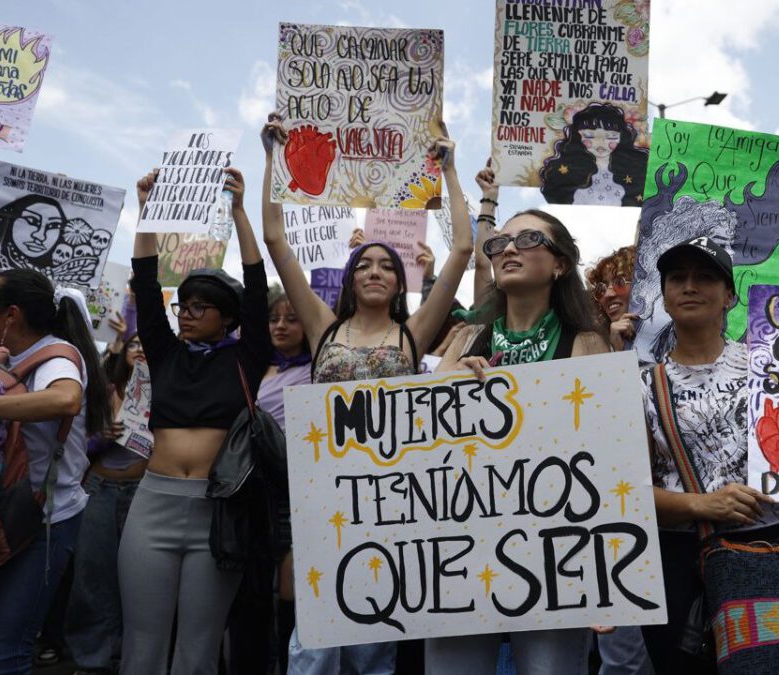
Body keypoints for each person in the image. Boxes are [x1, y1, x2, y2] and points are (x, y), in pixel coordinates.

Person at [260, 112, 473, 673]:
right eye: (365, 265)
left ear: (399, 282)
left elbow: (462, 252)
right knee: (314, 643)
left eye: (386, 266)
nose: (375, 271)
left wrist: (450, 172)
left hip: (391, 496)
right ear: (352, 278)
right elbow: (278, 240)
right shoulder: (322, 327)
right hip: (322, 493)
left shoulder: (414, 333)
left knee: (372, 643)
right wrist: (272, 160)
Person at [639, 236, 779, 674]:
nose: (690, 286)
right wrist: (700, 504)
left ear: (730, 296)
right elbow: (625, 493)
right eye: (677, 278)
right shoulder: (640, 387)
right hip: (683, 562)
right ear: (664, 295)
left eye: (705, 277)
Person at [430, 201, 609, 673]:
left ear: (560, 264)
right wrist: (449, 388)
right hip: (461, 554)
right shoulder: (464, 340)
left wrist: (603, 576)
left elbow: (602, 457)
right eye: (499, 243)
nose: (508, 248)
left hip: (555, 554)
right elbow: (422, 450)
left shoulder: (587, 344)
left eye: (529, 239)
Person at [118, 166, 272, 674]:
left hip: (217, 513)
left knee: (199, 650)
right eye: (184, 304)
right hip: (154, 506)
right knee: (142, 644)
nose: (186, 313)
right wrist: (148, 212)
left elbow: (255, 288)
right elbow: (144, 286)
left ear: (227, 318)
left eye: (201, 307)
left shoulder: (245, 356)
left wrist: (239, 211)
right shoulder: (165, 354)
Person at [0, 271, 109, 673]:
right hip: (10, 513)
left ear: (11, 314)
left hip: (45, 521)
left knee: (6, 649)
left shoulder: (57, 355)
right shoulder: (8, 352)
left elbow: (66, 399)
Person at [226, 286, 312, 674]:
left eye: (292, 318)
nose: (280, 325)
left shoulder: (320, 369)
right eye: (274, 318)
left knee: (293, 589)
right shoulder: (256, 367)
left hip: (301, 492)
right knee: (255, 588)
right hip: (254, 490)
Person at [64, 333, 148, 672]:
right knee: (93, 573)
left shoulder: (165, 390)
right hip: (100, 488)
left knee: (139, 577)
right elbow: (75, 441)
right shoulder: (104, 391)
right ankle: (90, 659)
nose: (139, 349)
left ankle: (129, 656)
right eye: (133, 344)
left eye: (145, 344)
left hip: (143, 490)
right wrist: (101, 438)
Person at [538, 103, 648, 206]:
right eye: (589, 136)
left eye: (611, 136)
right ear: (577, 137)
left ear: (622, 138)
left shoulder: (636, 171)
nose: (600, 143)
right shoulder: (565, 172)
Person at [586, 245, 638, 351]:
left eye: (619, 282)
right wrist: (619, 351)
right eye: (601, 289)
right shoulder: (596, 349)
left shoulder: (674, 331)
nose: (608, 294)